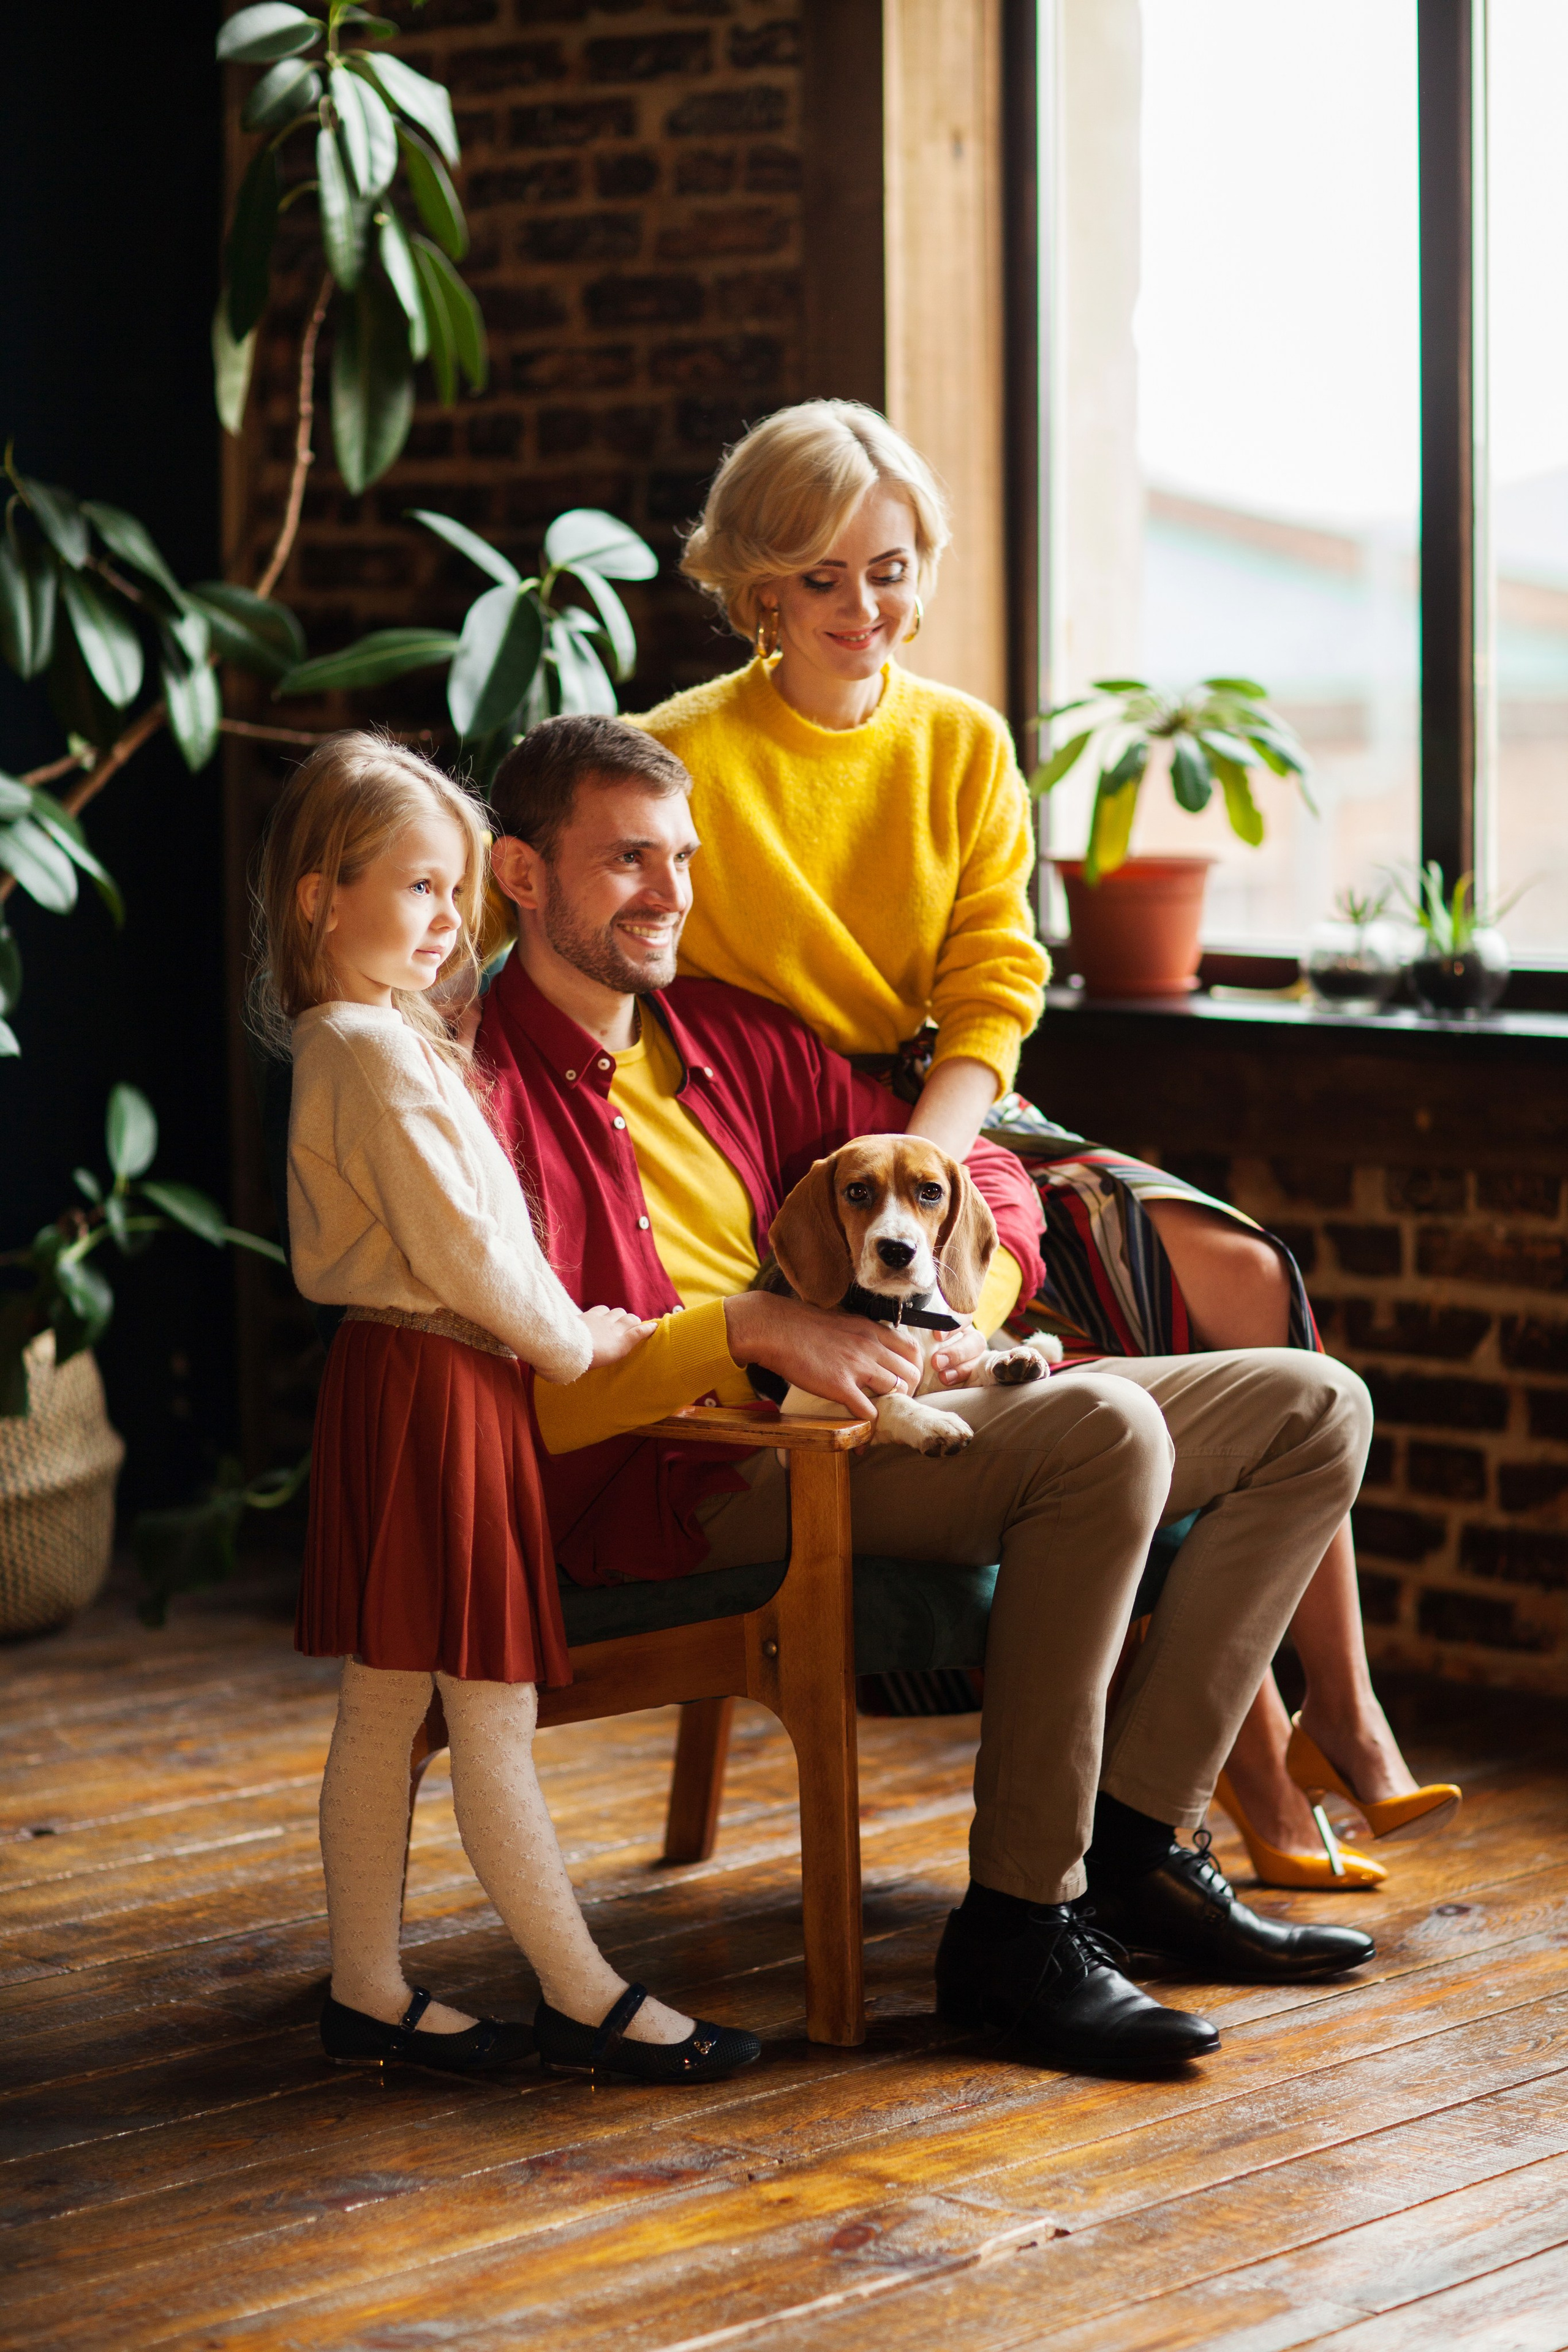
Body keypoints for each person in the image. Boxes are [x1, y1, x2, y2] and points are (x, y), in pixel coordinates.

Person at [475, 713, 1379, 2080]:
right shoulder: (471, 1088)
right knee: (1102, 1425)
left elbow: (975, 1165)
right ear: (521, 876)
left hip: (882, 1407)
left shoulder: (729, 1036)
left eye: (680, 858)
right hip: (682, 1476)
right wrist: (754, 1326)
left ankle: (1137, 1842)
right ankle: (1023, 1918)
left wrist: (976, 1306)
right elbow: (519, 1395)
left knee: (1314, 1406)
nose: (668, 894)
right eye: (624, 861)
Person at [635, 398, 1459, 1889]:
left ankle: (1338, 1709)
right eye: (817, 578)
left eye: (887, 568)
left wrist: (942, 1145)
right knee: (1141, 1308)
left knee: (1244, 1273)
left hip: (956, 1109)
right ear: (757, 583)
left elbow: (993, 985)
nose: (859, 607)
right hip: (797, 1144)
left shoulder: (958, 741)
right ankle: (1260, 1790)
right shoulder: (675, 753)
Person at [257, 730, 760, 2085]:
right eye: (417, 889)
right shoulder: (371, 1051)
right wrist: (575, 1347)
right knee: (484, 1713)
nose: (447, 922)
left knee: (386, 1703)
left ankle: (370, 1988)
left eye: (457, 890)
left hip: (418, 1379)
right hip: (440, 1382)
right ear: (323, 899)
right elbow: (475, 1252)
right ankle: (581, 1993)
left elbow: (480, 1235)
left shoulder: (378, 1039)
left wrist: (559, 1324)